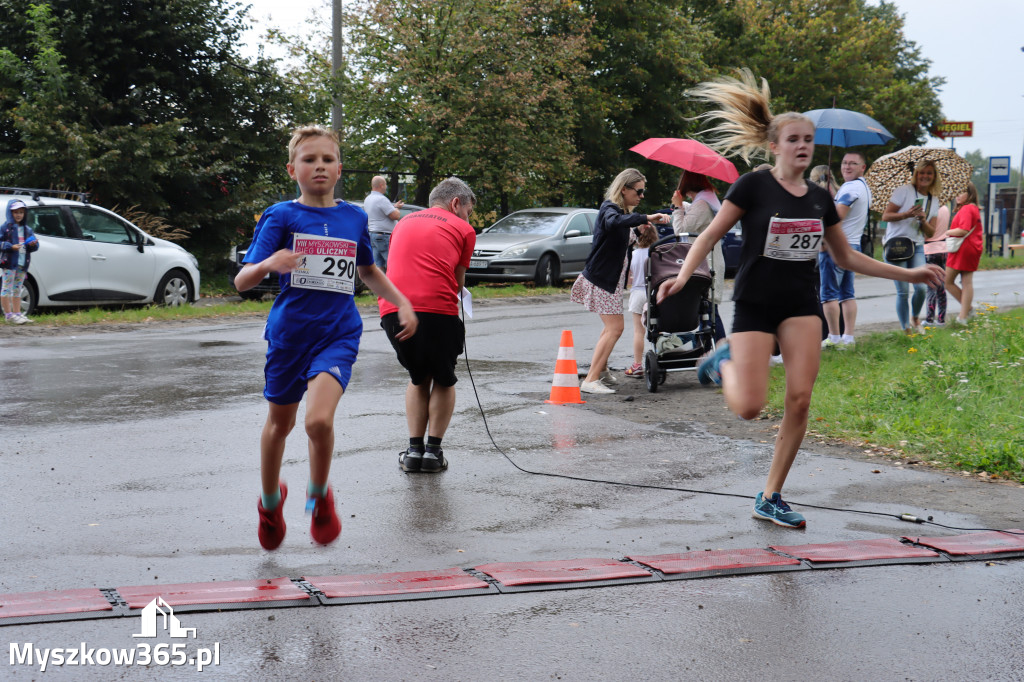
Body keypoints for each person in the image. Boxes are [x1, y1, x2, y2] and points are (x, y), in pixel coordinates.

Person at [657, 69, 943, 529]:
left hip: (801, 306)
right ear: (775, 145)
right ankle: (724, 362)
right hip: (755, 302)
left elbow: (847, 258)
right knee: (749, 407)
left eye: (808, 139)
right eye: (793, 138)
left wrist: (909, 271)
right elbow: (709, 234)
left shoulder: (818, 199)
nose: (802, 145)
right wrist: (682, 275)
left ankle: (771, 495)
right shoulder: (753, 186)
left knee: (799, 400)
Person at [236, 125, 418, 550]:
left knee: (318, 420)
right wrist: (270, 263)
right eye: (309, 159)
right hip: (289, 336)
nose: (319, 166)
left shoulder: (353, 217)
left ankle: (318, 496)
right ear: (292, 169)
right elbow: (242, 282)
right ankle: (269, 502)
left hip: (337, 333)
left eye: (327, 160)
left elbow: (368, 269)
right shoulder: (280, 216)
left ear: (339, 169)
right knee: (280, 424)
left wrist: (402, 302)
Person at [379, 177, 477, 473]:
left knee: (418, 376)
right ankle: (433, 453)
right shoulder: (464, 229)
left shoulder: (403, 223)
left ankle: (413, 451)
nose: (468, 217)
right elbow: (458, 282)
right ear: (456, 203)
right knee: (444, 379)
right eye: (468, 210)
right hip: (437, 312)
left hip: (393, 312)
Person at [570, 169, 667, 394]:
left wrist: (638, 228)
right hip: (602, 279)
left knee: (610, 328)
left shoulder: (619, 213)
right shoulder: (609, 209)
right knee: (615, 328)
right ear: (624, 189)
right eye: (639, 191)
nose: (642, 196)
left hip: (609, 281)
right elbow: (614, 223)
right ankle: (590, 380)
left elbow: (621, 231)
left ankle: (600, 371)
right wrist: (645, 217)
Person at [880, 159, 941, 334]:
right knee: (903, 291)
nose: (925, 176)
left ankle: (915, 317)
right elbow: (886, 216)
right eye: (922, 172)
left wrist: (922, 220)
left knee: (922, 287)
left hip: (917, 246)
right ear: (916, 174)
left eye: (929, 173)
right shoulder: (904, 191)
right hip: (896, 245)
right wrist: (906, 214)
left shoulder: (934, 200)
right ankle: (905, 329)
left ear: (934, 176)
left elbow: (931, 233)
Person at [822, 152, 872, 346]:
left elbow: (836, 218)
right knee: (847, 294)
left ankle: (834, 337)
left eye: (853, 163)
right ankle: (848, 337)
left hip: (835, 246)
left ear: (863, 167)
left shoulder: (850, 188)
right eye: (844, 163)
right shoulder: (865, 188)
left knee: (829, 295)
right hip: (854, 244)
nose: (847, 167)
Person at [671, 170, 727, 341]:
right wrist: (682, 207)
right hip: (706, 262)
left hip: (707, 264)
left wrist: (677, 207)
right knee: (706, 312)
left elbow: (681, 230)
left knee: (709, 313)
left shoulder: (703, 204)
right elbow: (694, 214)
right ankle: (709, 351)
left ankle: (722, 353)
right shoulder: (705, 200)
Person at [944, 181, 983, 325]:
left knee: (947, 281)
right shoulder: (974, 208)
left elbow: (964, 230)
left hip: (963, 248)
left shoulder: (967, 209)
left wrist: (946, 232)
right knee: (967, 282)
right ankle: (965, 315)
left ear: (970, 194)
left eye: (961, 192)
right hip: (973, 248)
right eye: (956, 192)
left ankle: (966, 313)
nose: (958, 195)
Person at [624, 227, 659, 377]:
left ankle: (637, 365)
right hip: (654, 293)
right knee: (659, 328)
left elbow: (630, 274)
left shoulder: (633, 254)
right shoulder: (657, 254)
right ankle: (661, 360)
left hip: (638, 292)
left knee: (639, 331)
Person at [1, 200, 40, 324]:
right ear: (10, 213)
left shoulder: (27, 229)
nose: (18, 215)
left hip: (22, 264)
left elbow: (34, 247)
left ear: (25, 214)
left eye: (21, 212)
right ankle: (8, 315)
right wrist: (10, 246)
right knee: (6, 288)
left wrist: (34, 244)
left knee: (18, 288)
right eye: (15, 212)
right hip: (9, 264)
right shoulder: (5, 228)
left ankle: (17, 314)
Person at [364, 175, 404, 271]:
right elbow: (395, 216)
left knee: (378, 265)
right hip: (384, 236)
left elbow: (380, 211)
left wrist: (393, 206)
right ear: (381, 185)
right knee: (392, 264)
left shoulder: (368, 199)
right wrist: (397, 208)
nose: (386, 186)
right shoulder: (381, 199)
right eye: (385, 184)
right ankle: (393, 285)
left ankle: (378, 285)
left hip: (373, 235)